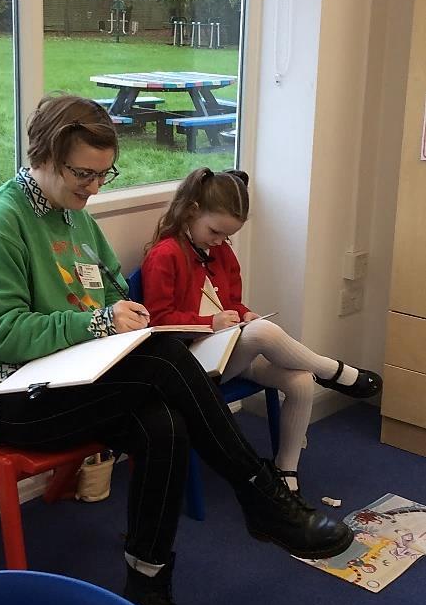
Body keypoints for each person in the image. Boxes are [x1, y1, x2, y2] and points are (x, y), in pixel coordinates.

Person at [0, 96, 354, 605]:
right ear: (44, 156)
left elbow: (110, 287)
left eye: (104, 174)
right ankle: (261, 495)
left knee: (165, 424)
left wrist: (125, 312)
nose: (95, 187)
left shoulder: (73, 215)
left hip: (79, 378)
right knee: (164, 358)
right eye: (83, 173)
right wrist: (98, 322)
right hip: (11, 397)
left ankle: (148, 581)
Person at [141, 167, 383, 498]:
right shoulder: (165, 254)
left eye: (226, 236)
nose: (219, 242)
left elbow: (231, 302)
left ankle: (286, 470)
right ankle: (334, 371)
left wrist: (244, 314)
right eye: (214, 232)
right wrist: (210, 323)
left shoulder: (220, 252)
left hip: (227, 352)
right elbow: (158, 322)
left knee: (300, 380)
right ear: (191, 211)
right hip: (189, 365)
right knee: (262, 333)